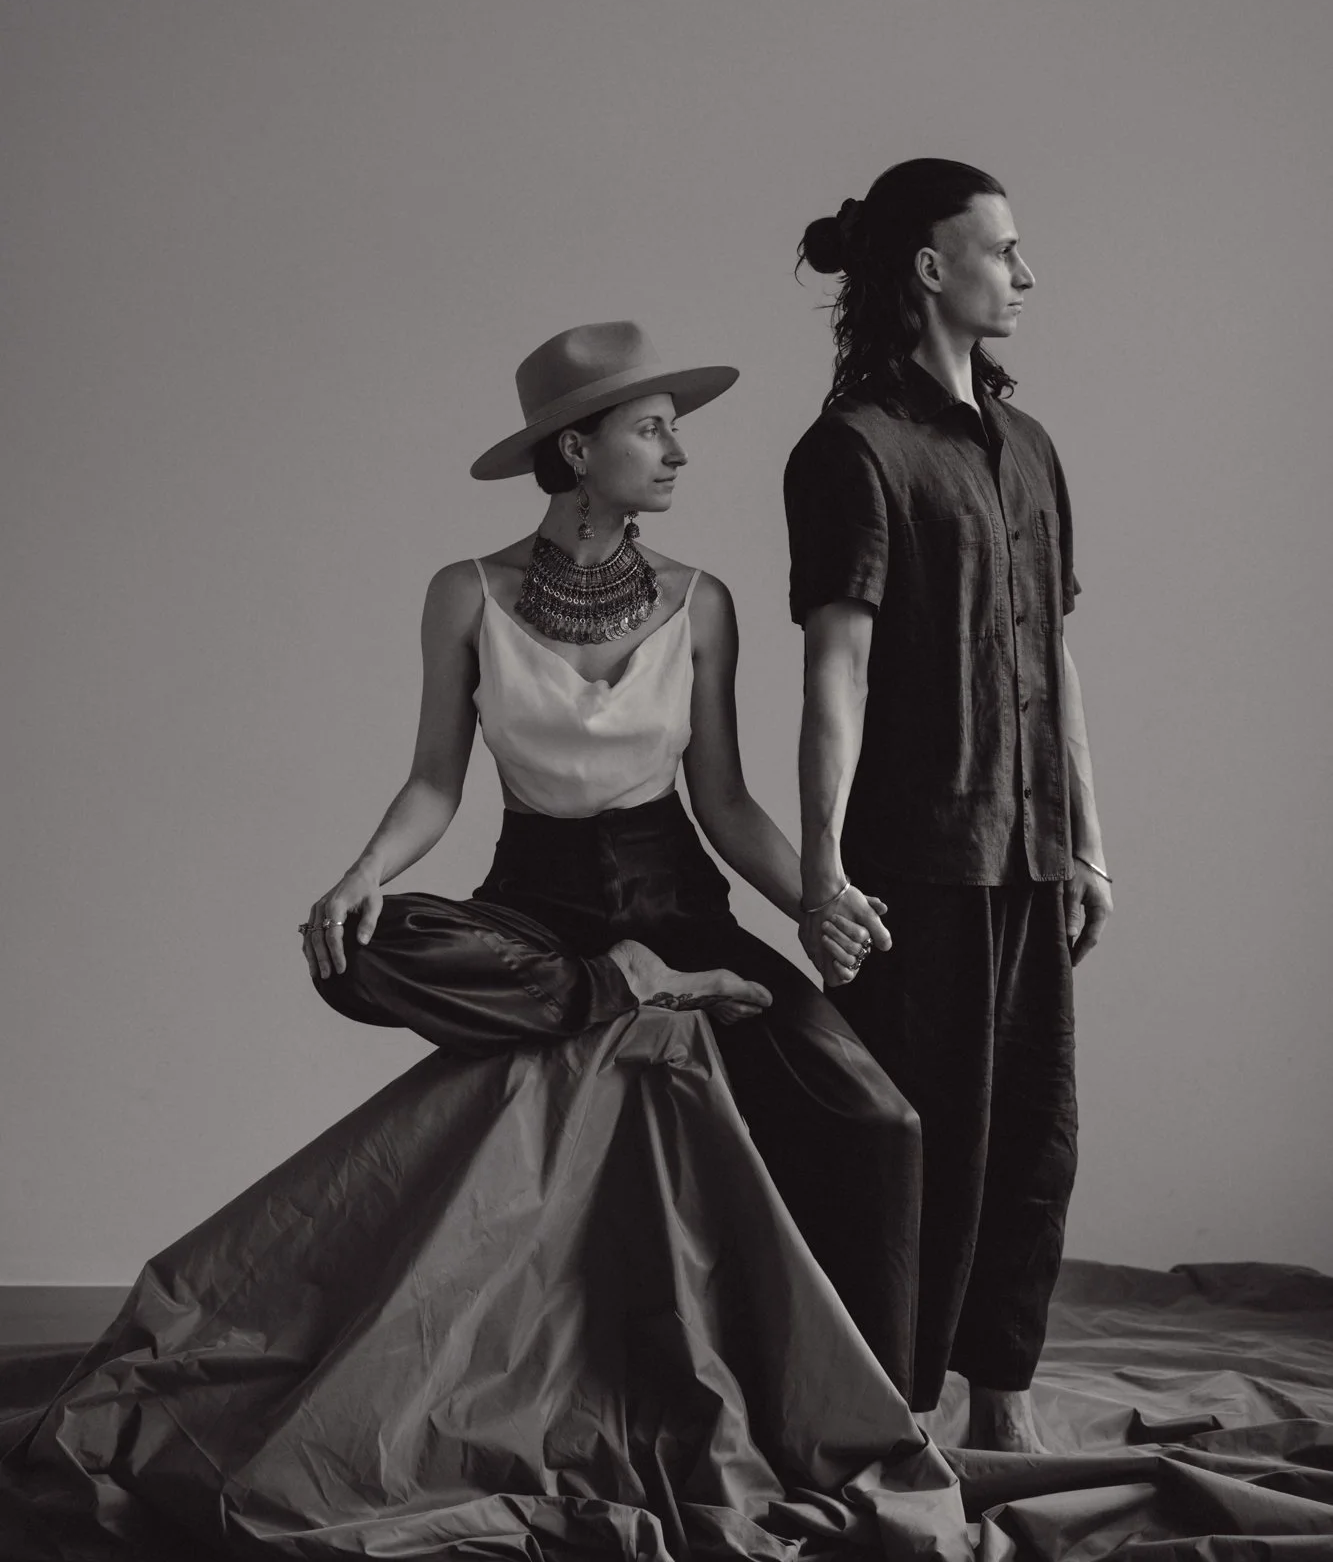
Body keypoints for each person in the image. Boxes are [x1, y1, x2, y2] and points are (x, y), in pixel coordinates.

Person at [9, 320, 967, 1562]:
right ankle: (623, 987)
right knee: (363, 947)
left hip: (680, 906)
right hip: (532, 908)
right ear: (574, 449)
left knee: (878, 1118)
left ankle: (877, 1408)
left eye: (674, 428)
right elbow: (433, 781)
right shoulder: (465, 592)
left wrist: (814, 899)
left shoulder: (703, 603)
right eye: (650, 428)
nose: (677, 451)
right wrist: (358, 875)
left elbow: (727, 803)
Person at [784, 161, 1113, 1454]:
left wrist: (1089, 842)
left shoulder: (1030, 450)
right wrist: (820, 868)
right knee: (927, 1155)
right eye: (1002, 250)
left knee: (1038, 1142)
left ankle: (1003, 1404)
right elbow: (837, 670)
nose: (1025, 274)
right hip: (917, 867)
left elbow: (1053, 658)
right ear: (930, 269)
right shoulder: (852, 450)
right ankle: (898, 1413)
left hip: (1033, 853)